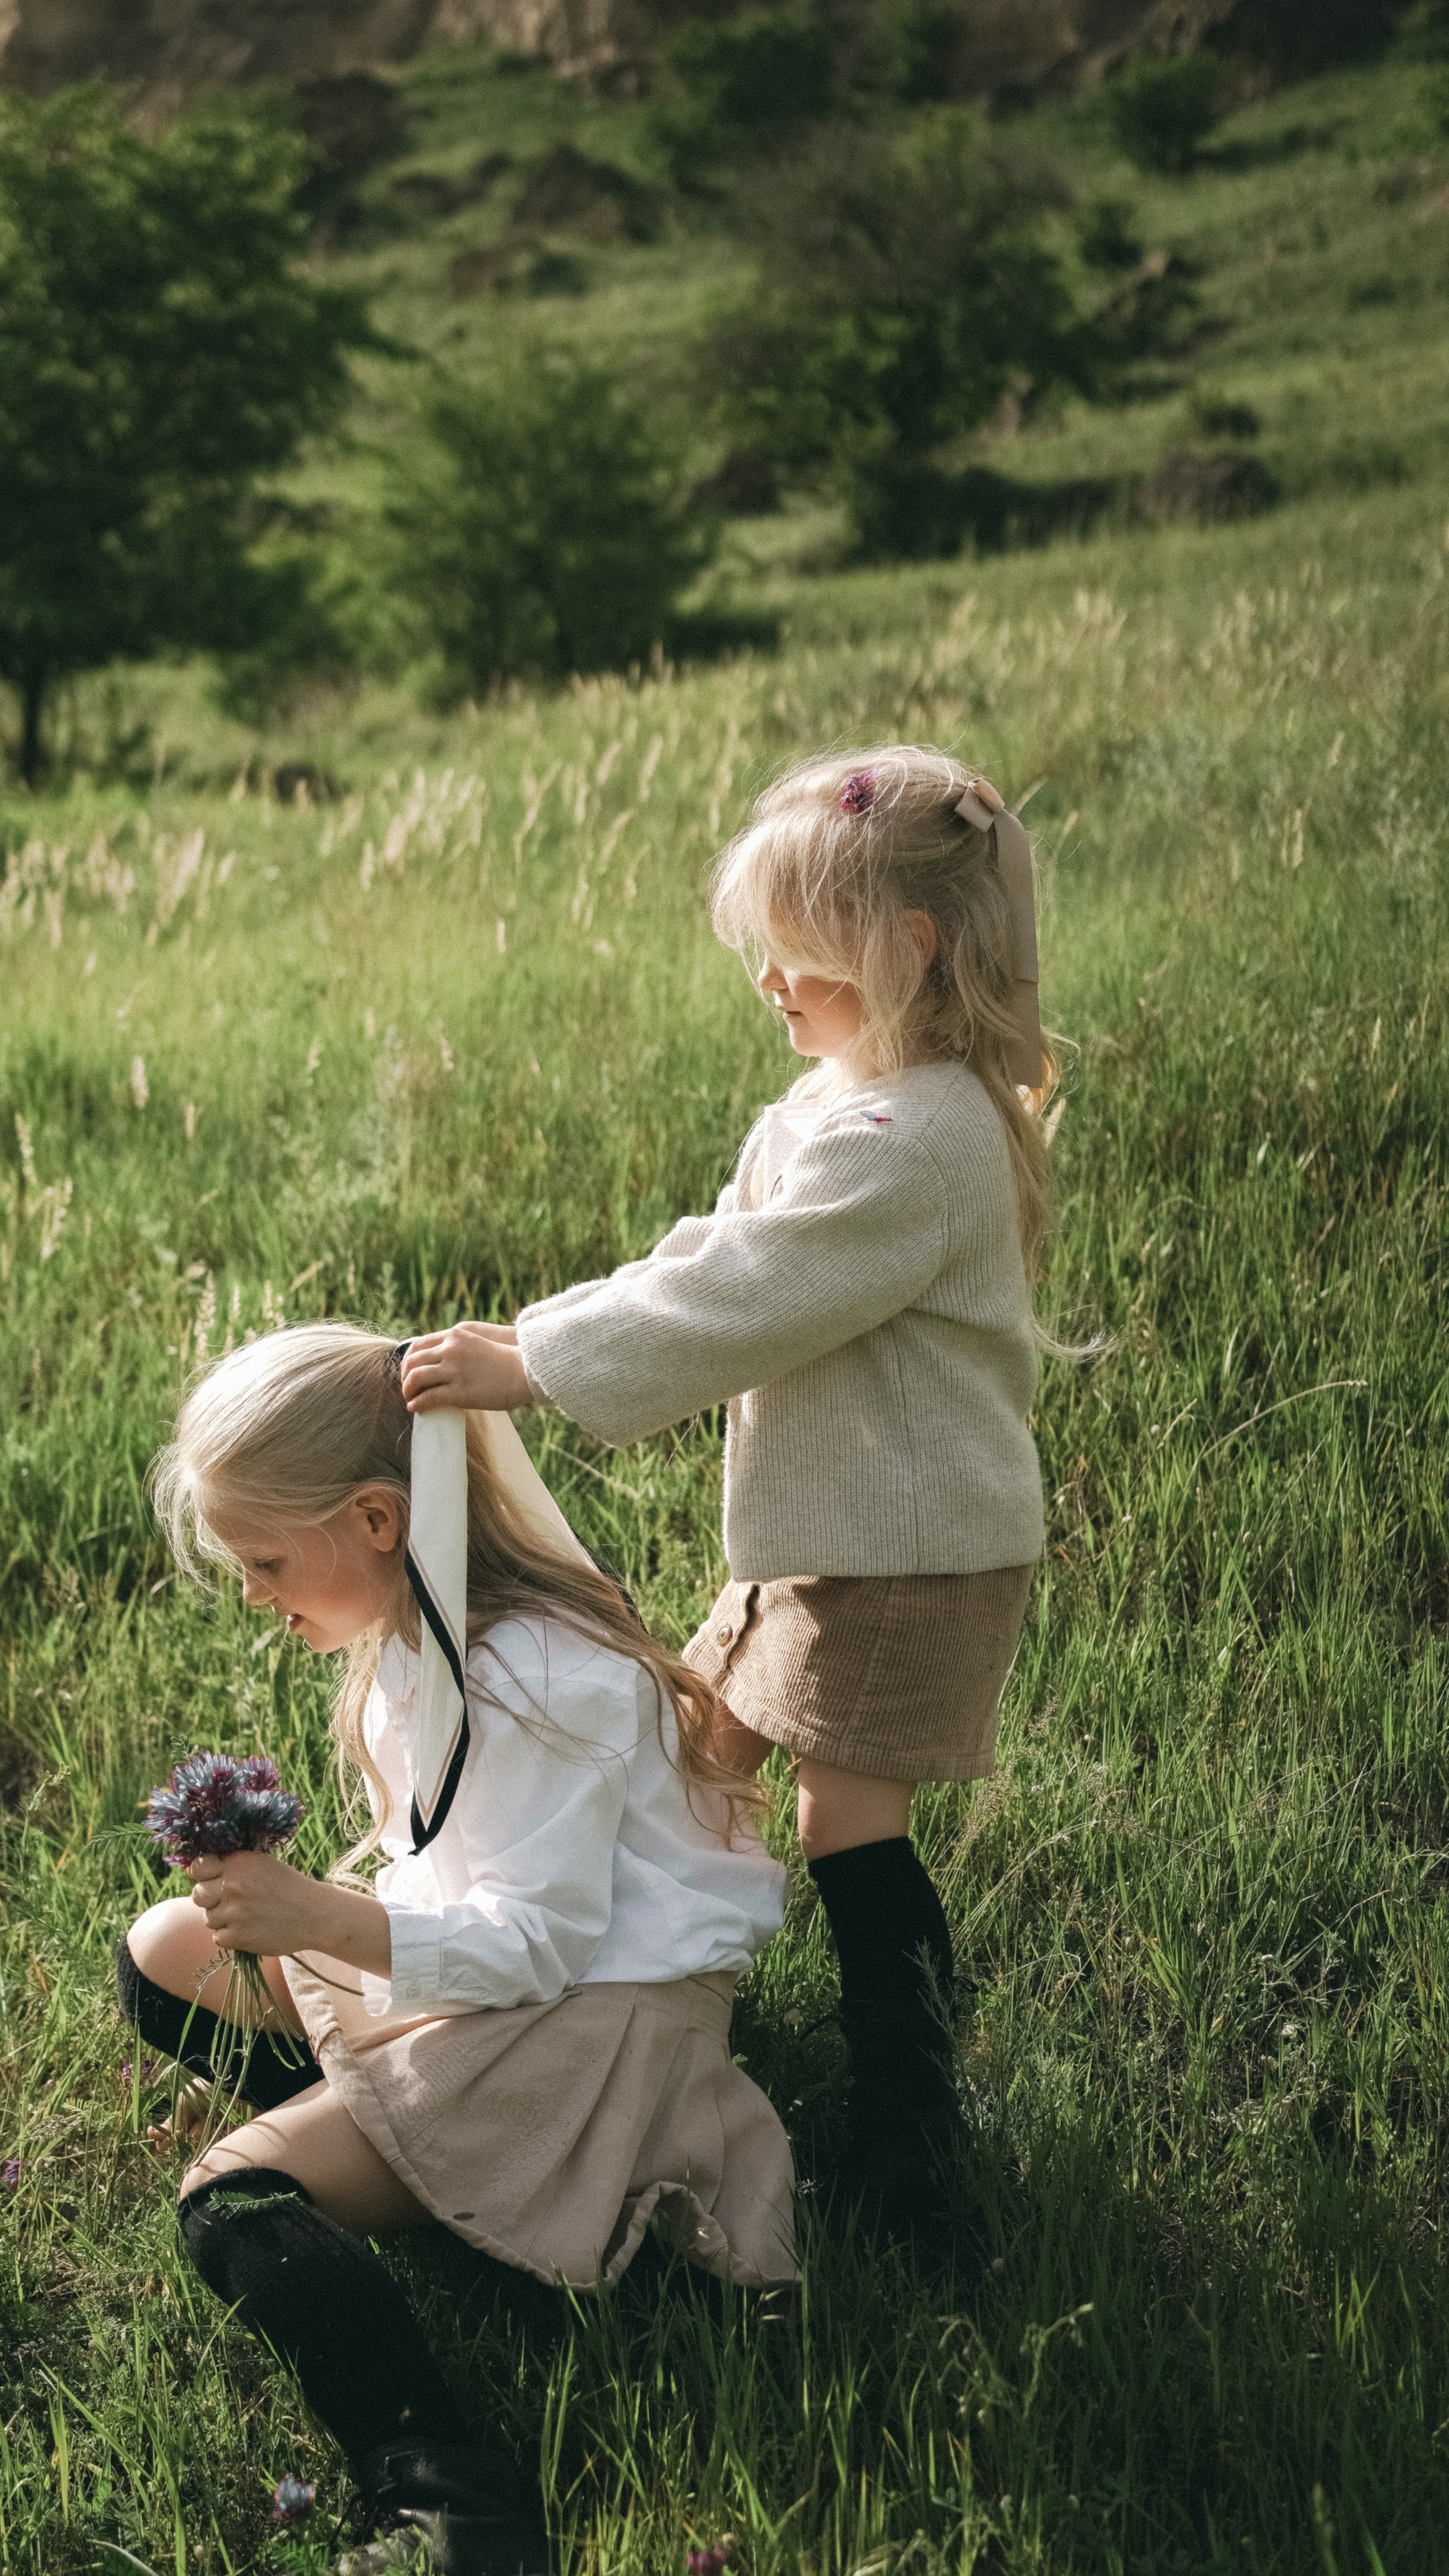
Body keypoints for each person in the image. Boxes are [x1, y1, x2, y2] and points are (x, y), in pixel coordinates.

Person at [402, 744, 1061, 2257]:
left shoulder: (919, 1140)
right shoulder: (846, 1095)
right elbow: (705, 1257)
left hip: (901, 1554)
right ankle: (630, 2021)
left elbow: (748, 1301)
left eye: (799, 951)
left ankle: (908, 2137)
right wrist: (539, 1335)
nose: (770, 979)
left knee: (842, 1818)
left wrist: (536, 1369)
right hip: (825, 1540)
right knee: (691, 1750)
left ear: (908, 949)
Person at [116, 1322, 794, 2576]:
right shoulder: (416, 1635)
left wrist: (320, 1918)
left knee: (232, 2204)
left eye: (265, 1561)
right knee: (167, 1953)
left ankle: (453, 2501)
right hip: (506, 1982)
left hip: (598, 2020)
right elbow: (460, 1882)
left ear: (378, 1520)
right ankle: (399, 2163)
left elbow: (540, 1946)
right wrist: (311, 1921)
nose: (256, 1596)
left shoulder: (538, 1673)